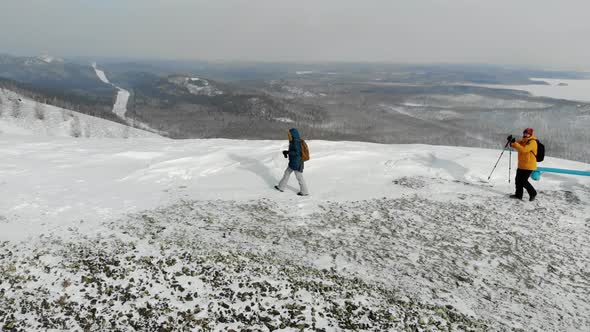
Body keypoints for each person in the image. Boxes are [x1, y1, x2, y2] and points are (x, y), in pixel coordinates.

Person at [275, 128, 309, 196]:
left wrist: (288, 152)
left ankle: (305, 192)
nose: (288, 135)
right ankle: (281, 187)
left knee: (298, 177)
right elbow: (295, 151)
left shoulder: (295, 142)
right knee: (287, 173)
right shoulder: (295, 141)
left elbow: (296, 153)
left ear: (292, 134)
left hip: (296, 163)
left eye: (289, 134)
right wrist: (288, 152)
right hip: (294, 162)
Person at [508, 127, 538, 201]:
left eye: (527, 133)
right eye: (525, 133)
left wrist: (516, 144)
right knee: (518, 180)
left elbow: (524, 149)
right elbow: (517, 145)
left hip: (529, 165)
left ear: (530, 134)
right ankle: (518, 195)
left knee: (523, 181)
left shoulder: (532, 142)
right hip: (521, 164)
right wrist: (512, 142)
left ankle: (533, 193)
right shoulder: (523, 140)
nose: (525, 134)